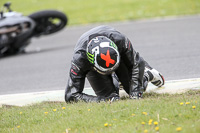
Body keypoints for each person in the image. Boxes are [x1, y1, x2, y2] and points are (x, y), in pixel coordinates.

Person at [65, 25, 164, 103]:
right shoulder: (80, 59)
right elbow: (71, 95)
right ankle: (116, 82)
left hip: (119, 59)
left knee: (132, 90)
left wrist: (135, 93)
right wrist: (100, 100)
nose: (111, 72)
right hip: (94, 70)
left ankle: (147, 74)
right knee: (110, 99)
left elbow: (137, 62)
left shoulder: (120, 40)